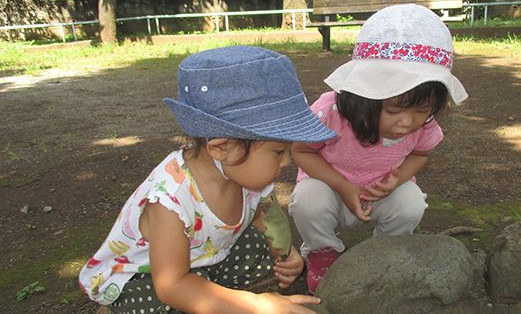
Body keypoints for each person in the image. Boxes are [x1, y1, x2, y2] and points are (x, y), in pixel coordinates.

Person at [79, 45, 336, 314]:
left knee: (256, 246)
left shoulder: (245, 173)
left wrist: (287, 253)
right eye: (278, 152)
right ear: (222, 148)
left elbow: (265, 215)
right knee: (156, 301)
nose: (286, 162)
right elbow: (170, 284)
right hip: (146, 277)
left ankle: (213, 295)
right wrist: (257, 306)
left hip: (205, 258)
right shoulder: (171, 200)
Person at [288, 4, 469, 294]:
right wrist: (343, 185)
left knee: (411, 202)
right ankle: (323, 252)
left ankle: (383, 252)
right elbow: (302, 151)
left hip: (380, 194)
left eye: (422, 109)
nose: (407, 122)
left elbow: (420, 154)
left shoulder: (422, 124)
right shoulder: (331, 111)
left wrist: (398, 179)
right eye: (395, 109)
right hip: (330, 189)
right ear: (364, 95)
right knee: (307, 200)